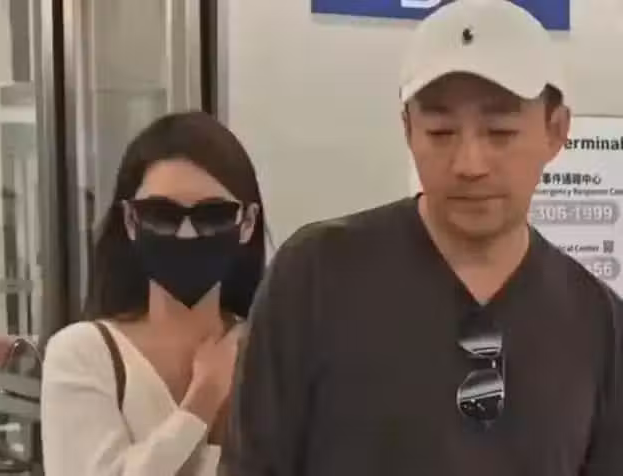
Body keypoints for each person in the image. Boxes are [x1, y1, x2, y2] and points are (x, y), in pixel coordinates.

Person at [224, 1, 623, 475]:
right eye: (440, 131)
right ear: (407, 129)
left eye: (500, 132)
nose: (469, 164)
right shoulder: (314, 277)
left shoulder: (599, 324)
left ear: (556, 131)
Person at [41, 111, 266, 476]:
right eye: (162, 214)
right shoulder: (83, 354)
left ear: (248, 223)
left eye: (213, 215)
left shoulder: (268, 350)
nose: (187, 234)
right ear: (130, 221)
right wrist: (203, 400)